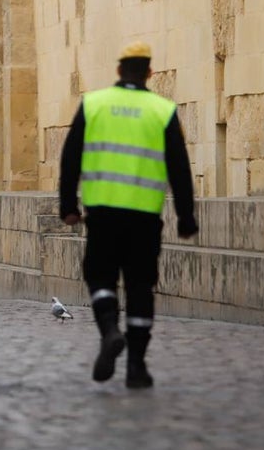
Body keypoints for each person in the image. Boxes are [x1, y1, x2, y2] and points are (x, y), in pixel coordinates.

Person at [59, 42, 198, 388]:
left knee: (100, 276)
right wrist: (185, 215)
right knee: (140, 287)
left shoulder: (93, 104)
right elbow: (179, 167)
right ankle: (136, 366)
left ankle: (109, 330)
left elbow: (70, 157)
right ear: (150, 73)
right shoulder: (162, 110)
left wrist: (67, 206)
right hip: (144, 216)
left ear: (119, 71)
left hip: (103, 212)